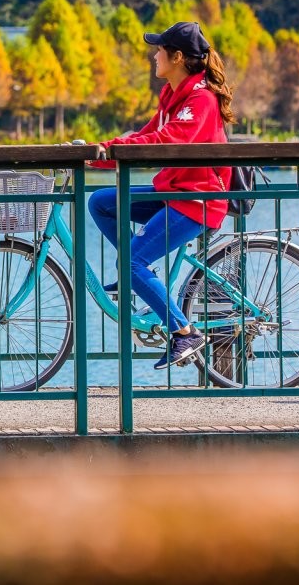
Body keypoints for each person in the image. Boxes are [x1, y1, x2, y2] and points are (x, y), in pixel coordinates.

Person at [88, 21, 234, 370]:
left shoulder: (200, 99)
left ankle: (184, 331)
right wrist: (99, 156)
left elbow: (166, 141)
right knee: (101, 203)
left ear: (178, 57)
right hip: (174, 191)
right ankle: (138, 273)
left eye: (159, 50)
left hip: (199, 199)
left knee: (132, 263)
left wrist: (105, 153)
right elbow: (147, 135)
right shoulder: (173, 95)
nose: (155, 56)